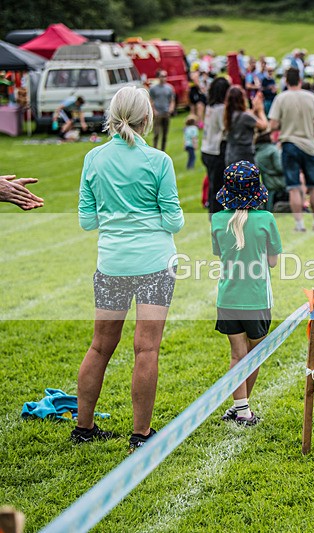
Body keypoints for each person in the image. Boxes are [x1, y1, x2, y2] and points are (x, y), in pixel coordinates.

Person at [73, 86, 184, 452]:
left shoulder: (94, 159)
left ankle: (84, 428)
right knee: (146, 349)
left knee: (100, 347)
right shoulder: (159, 161)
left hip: (112, 262)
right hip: (154, 263)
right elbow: (174, 221)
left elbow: (87, 222)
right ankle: (141, 435)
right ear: (147, 117)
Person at [212, 161, 282, 426]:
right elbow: (273, 261)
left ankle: (241, 408)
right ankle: (243, 409)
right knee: (255, 356)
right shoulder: (266, 219)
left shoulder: (218, 220)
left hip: (227, 299)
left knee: (237, 355)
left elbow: (220, 253)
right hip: (257, 300)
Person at [268, 67, 314, 232]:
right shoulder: (311, 97)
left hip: (289, 143)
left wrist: (284, 124)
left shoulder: (281, 98)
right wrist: (310, 125)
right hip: (309, 144)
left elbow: (273, 125)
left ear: (286, 81)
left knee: (293, 186)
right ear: (300, 80)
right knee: (313, 185)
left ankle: (299, 224)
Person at [202, 77, 231, 214]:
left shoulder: (210, 107)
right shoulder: (221, 109)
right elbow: (225, 127)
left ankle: (212, 212)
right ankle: (217, 214)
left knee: (213, 185)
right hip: (216, 150)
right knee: (218, 187)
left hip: (206, 149)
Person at [224, 86, 267, 166]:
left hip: (230, 154)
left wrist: (254, 108)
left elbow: (249, 117)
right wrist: (261, 110)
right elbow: (264, 126)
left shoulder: (229, 115)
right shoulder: (245, 116)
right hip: (244, 156)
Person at [253, 130, 284, 212]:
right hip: (277, 181)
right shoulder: (273, 150)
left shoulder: (256, 150)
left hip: (265, 181)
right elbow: (280, 168)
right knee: (300, 178)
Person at [149, 70, 175, 151]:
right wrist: (153, 110)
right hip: (158, 113)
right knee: (156, 133)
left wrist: (171, 108)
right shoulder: (153, 88)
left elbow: (172, 100)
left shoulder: (169, 88)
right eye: (162, 76)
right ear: (158, 77)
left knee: (165, 134)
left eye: (165, 76)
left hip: (166, 112)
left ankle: (163, 150)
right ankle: (155, 149)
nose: (164, 78)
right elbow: (151, 100)